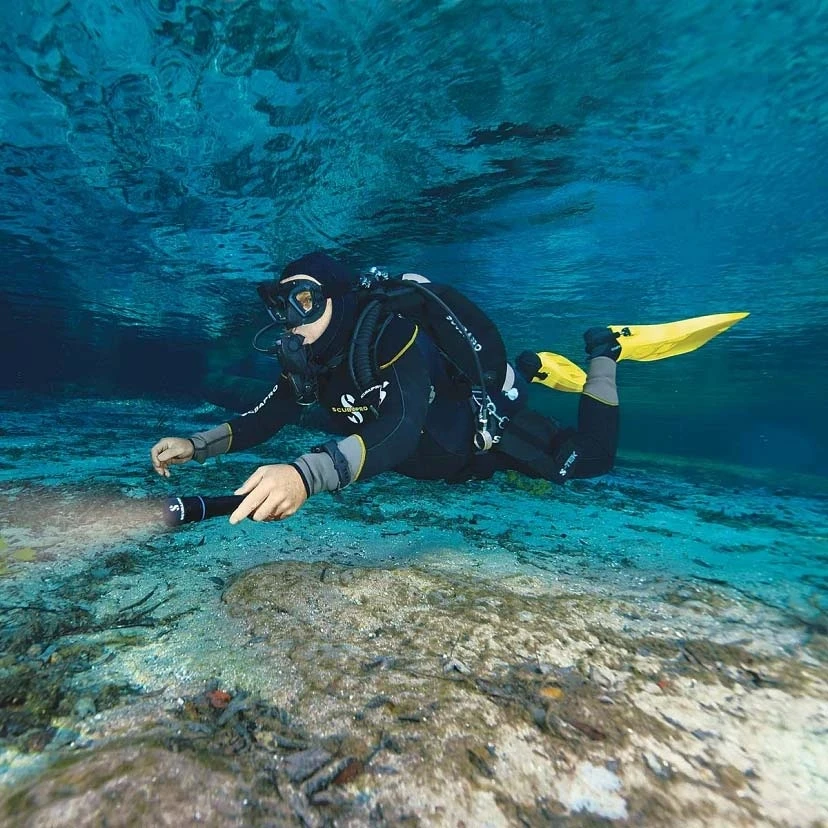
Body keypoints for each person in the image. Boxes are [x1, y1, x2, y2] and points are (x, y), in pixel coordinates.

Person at [150, 252, 621, 524]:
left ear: (337, 299)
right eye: (283, 304)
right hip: (441, 463)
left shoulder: (391, 335)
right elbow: (267, 415)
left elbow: (401, 427)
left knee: (591, 459)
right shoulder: (312, 359)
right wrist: (197, 445)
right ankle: (530, 366)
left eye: (305, 300)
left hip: (486, 438)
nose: (292, 320)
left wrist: (305, 476)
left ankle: (605, 351)